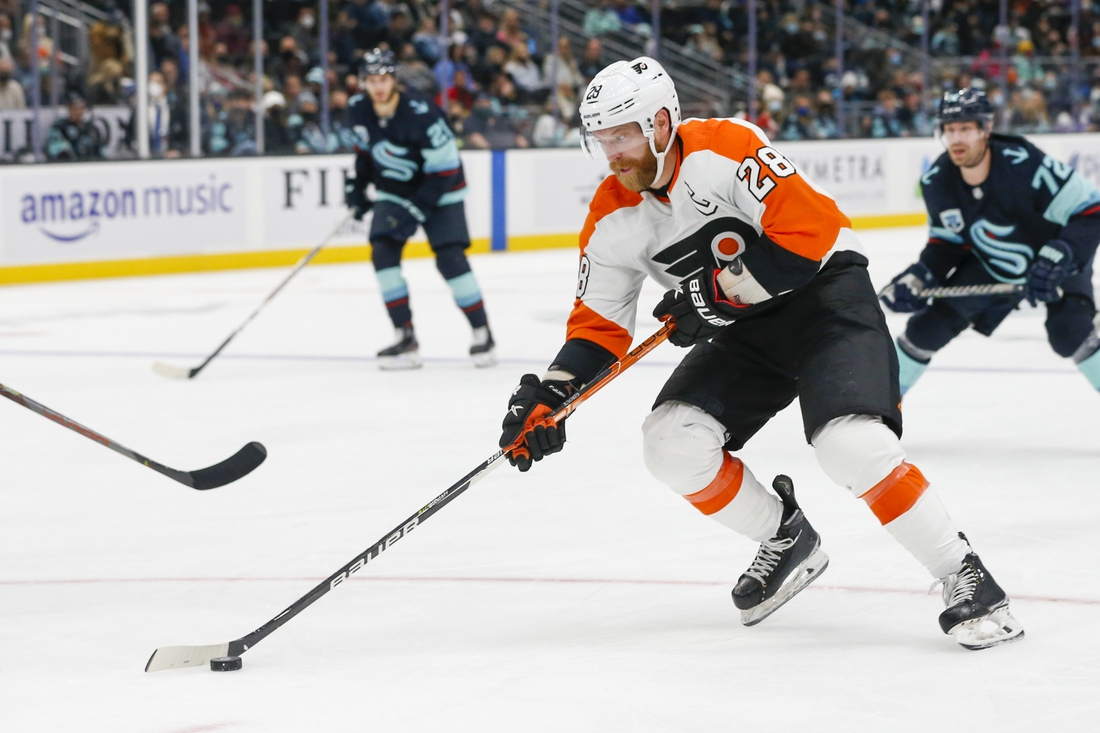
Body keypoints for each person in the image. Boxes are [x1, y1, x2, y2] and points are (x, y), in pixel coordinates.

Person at [498, 59, 1023, 650]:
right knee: (670, 442)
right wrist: (553, 394)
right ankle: (786, 536)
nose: (612, 152)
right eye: (602, 139)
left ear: (662, 122)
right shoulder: (610, 214)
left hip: (826, 298)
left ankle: (965, 573)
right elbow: (598, 327)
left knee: (848, 442)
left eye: (623, 135)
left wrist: (716, 295)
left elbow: (809, 235)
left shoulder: (727, 146)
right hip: (747, 329)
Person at [881, 88, 1100, 396]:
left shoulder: (1023, 163)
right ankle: (878, 404)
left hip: (1057, 257)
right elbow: (946, 246)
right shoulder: (937, 182)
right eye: (949, 129)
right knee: (925, 330)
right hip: (994, 265)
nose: (956, 138)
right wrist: (917, 278)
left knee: (1069, 333)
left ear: (985, 129)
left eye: (966, 128)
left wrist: (1059, 254)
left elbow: (1091, 211)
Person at [344, 49, 496, 369]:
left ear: (394, 80)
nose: (378, 87)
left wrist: (417, 210)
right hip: (396, 189)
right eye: (371, 81)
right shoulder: (358, 109)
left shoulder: (422, 112)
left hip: (442, 190)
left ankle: (482, 331)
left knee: (450, 260)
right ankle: (405, 337)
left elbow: (445, 168)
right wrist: (356, 188)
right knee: (382, 252)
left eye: (383, 79)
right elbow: (365, 152)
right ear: (364, 84)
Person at [45, 92, 104, 161]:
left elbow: (100, 151)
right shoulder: (60, 127)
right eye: (74, 107)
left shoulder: (91, 128)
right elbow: (53, 148)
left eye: (80, 107)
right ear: (68, 108)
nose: (77, 111)